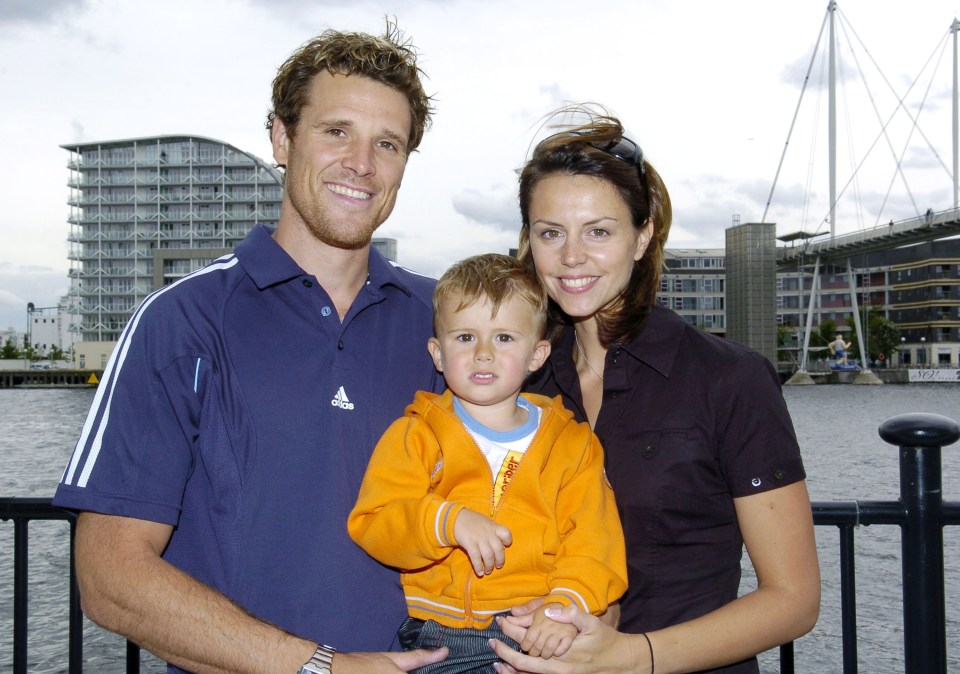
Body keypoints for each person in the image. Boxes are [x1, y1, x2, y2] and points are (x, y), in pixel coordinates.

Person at [52, 23, 451, 674]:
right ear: (281, 137)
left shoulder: (449, 326)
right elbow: (110, 576)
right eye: (336, 131)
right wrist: (320, 667)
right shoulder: (180, 321)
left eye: (389, 143)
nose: (362, 164)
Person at [490, 106, 821, 674]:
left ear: (643, 237)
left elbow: (794, 600)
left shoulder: (728, 379)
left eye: (599, 231)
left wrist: (631, 657)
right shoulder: (520, 380)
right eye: (551, 233)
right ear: (529, 241)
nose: (572, 257)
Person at [347, 253, 627, 673]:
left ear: (537, 355)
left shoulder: (573, 445)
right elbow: (374, 520)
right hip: (443, 636)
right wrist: (446, 520)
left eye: (504, 338)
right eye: (464, 338)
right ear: (437, 354)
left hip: (537, 626)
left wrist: (567, 603)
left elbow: (594, 543)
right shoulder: (416, 435)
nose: (482, 354)